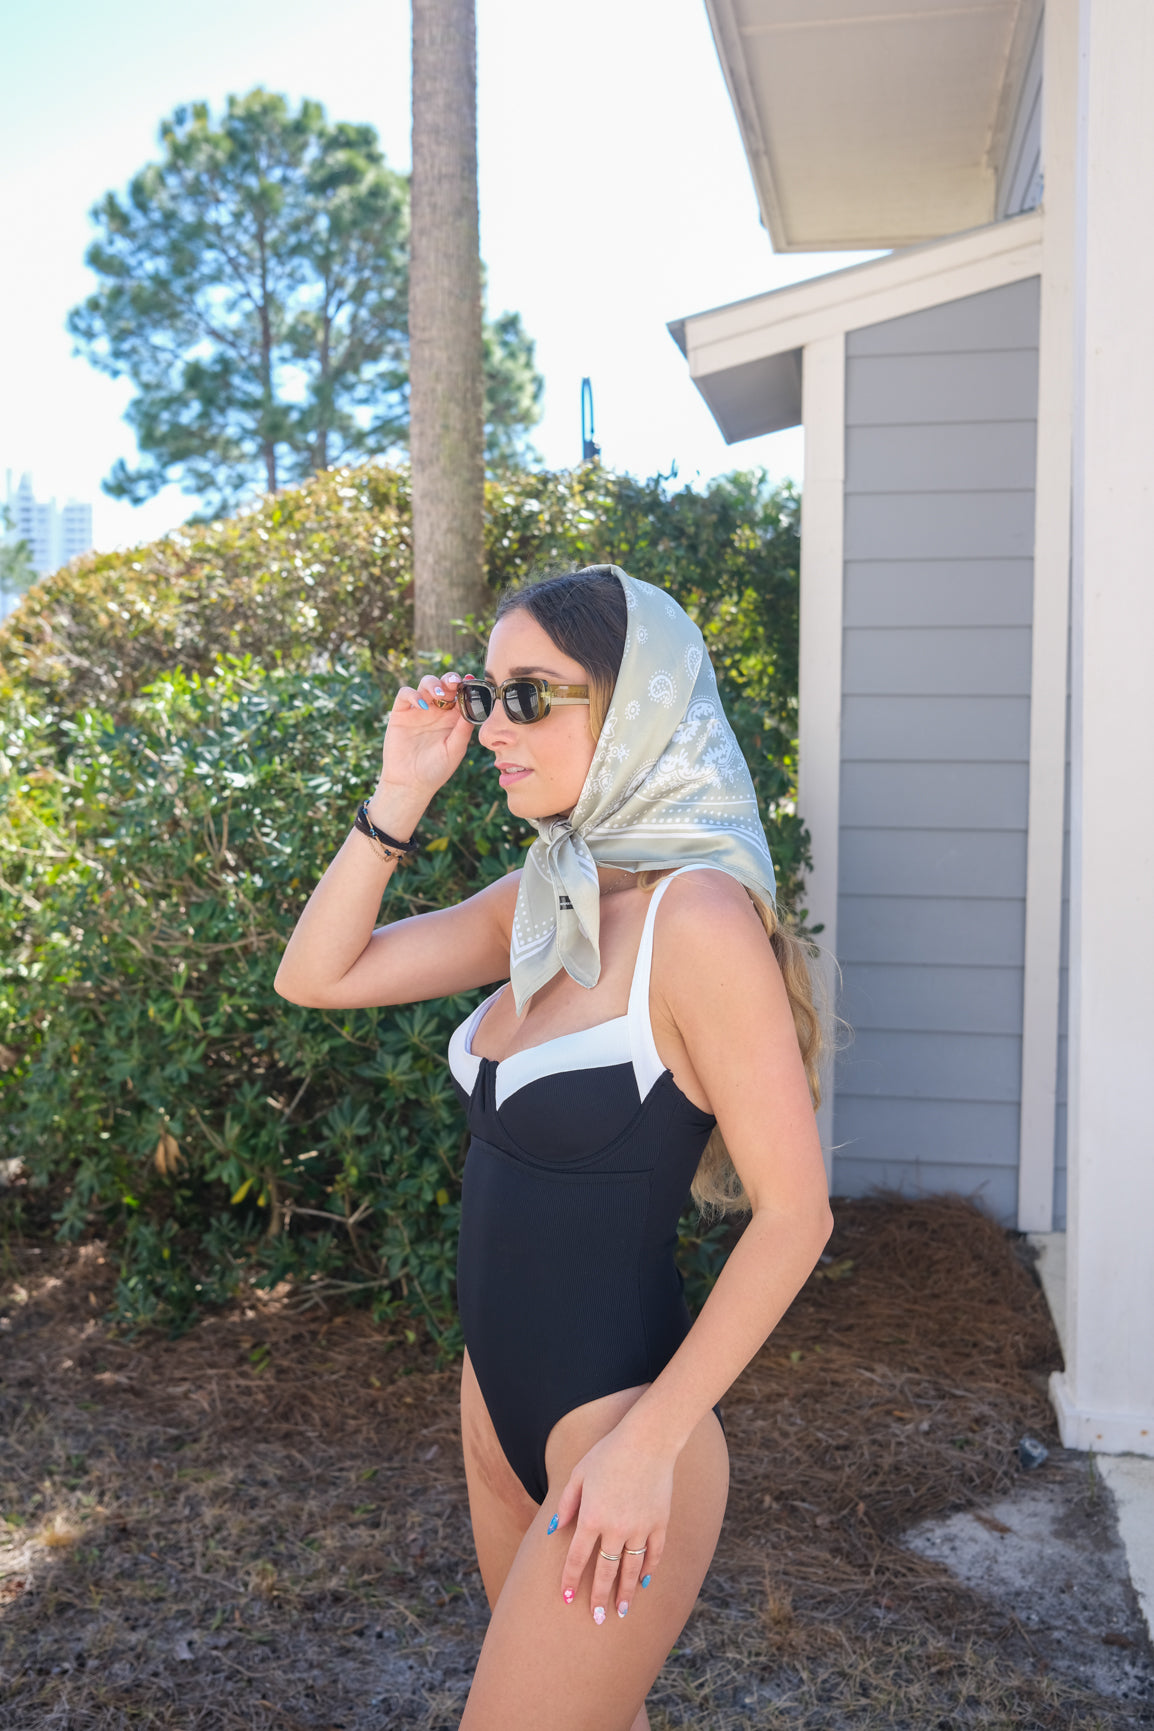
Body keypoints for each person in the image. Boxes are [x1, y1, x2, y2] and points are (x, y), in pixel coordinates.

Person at [275, 564, 833, 1731]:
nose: (492, 728)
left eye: (531, 695)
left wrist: (647, 1448)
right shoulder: (544, 898)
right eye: (488, 694)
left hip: (622, 1433)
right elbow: (314, 976)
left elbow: (795, 1214)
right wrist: (396, 793)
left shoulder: (697, 920)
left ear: (631, 705)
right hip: (498, 1407)